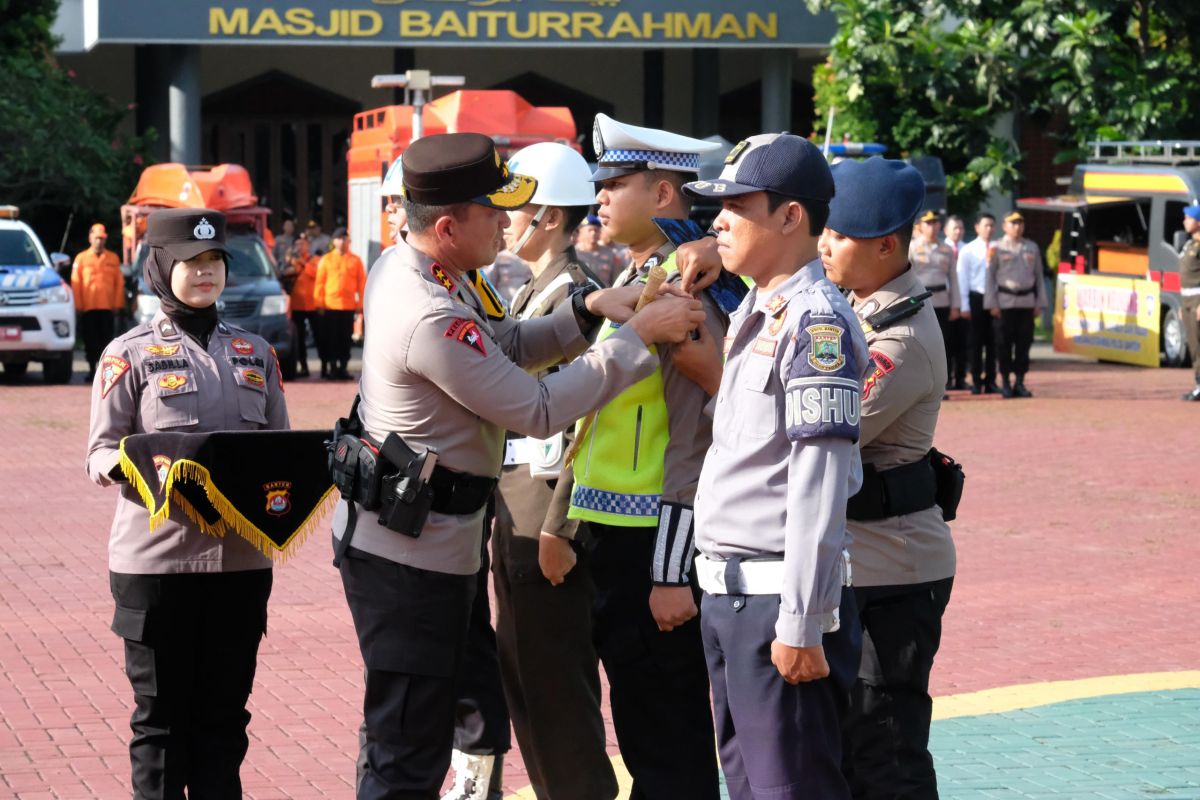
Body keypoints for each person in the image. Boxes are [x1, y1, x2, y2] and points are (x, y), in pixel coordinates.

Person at [333, 131, 705, 800]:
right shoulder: (428, 314)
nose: (507, 221)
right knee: (406, 747)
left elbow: (501, 339)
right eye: (493, 210)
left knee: (435, 724)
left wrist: (589, 312)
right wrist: (635, 340)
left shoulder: (418, 269)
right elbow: (534, 407)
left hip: (432, 543)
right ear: (448, 227)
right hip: (409, 560)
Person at [673, 134, 867, 800]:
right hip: (730, 598)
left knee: (792, 788)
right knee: (752, 786)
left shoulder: (817, 325)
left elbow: (818, 483)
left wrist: (802, 620)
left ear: (790, 217)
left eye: (736, 205)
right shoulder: (759, 310)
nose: (717, 221)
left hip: (775, 602)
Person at [85, 208, 289, 799]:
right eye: (190, 263)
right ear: (160, 268)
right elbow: (99, 451)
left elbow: (277, 450)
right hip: (157, 566)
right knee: (160, 724)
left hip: (240, 567)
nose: (205, 275)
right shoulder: (128, 354)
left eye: (215, 262)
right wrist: (135, 464)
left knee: (225, 722)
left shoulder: (256, 353)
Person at [564, 113, 725, 800]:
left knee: (668, 737)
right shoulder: (641, 277)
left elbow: (693, 435)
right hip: (614, 535)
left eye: (615, 184)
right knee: (642, 726)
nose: (599, 198)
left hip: (653, 543)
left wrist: (670, 572)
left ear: (663, 195)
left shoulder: (681, 288)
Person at [816, 158, 957, 800]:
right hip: (861, 565)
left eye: (838, 235)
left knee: (886, 752)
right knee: (848, 744)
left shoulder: (899, 342)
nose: (824, 244)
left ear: (885, 246)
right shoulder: (852, 308)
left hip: (896, 571)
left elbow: (822, 428)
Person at [487, 142, 618, 800]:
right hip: (514, 513)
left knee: (559, 703)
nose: (502, 220)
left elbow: (587, 424)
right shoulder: (536, 291)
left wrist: (561, 527)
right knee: (528, 692)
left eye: (513, 209)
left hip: (545, 523)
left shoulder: (580, 297)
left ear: (545, 217)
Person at [985, 211, 1045, 398]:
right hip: (1004, 303)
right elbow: (989, 277)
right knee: (1003, 345)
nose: (1017, 227)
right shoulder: (996, 248)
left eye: (1020, 223)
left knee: (1023, 344)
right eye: (1013, 223)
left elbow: (1039, 277)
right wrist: (991, 303)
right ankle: (1005, 382)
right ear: (1005, 226)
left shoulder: (1031, 247)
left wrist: (1040, 302)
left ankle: (1020, 381)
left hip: (1026, 303)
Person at [909, 211, 961, 392]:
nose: (932, 227)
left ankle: (941, 384)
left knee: (942, 344)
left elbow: (953, 279)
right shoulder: (911, 248)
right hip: (919, 302)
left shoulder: (946, 250)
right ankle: (919, 384)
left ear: (940, 226)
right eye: (928, 223)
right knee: (919, 343)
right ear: (920, 226)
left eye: (935, 223)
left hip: (942, 301)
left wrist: (956, 304)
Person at [73, 223, 125, 381]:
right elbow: (76, 282)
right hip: (88, 308)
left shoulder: (113, 258)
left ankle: (106, 372)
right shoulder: (81, 258)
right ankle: (91, 370)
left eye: (102, 238)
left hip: (107, 308)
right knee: (90, 341)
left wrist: (117, 305)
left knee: (107, 341)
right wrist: (78, 305)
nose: (99, 241)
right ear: (90, 238)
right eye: (96, 238)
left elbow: (119, 283)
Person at [314, 227, 366, 380]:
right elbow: (319, 284)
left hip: (348, 306)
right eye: (340, 238)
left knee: (345, 339)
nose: (343, 241)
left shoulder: (355, 260)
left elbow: (361, 284)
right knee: (330, 339)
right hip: (330, 307)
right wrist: (319, 304)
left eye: (345, 238)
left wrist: (360, 304)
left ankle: (343, 368)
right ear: (334, 241)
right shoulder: (326, 259)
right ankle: (332, 367)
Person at [956, 214, 998, 395]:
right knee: (975, 341)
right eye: (986, 225)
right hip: (976, 297)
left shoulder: (998, 248)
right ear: (977, 227)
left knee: (993, 342)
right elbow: (962, 278)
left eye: (991, 226)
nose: (989, 229)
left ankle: (991, 380)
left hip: (994, 298)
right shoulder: (969, 250)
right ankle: (975, 380)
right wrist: (964, 304)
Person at [282, 235, 319, 378]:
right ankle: (303, 366)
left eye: (302, 244)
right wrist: (289, 263)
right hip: (297, 305)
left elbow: (315, 274)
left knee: (320, 336)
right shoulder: (292, 261)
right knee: (300, 338)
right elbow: (284, 274)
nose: (299, 247)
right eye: (297, 244)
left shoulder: (315, 260)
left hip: (313, 304)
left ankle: (326, 366)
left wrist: (302, 262)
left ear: (308, 246)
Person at [943, 215, 970, 390]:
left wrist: (963, 304)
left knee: (963, 343)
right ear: (946, 230)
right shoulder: (942, 249)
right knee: (946, 344)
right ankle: (947, 379)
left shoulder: (968, 249)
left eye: (960, 228)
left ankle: (961, 377)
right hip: (944, 301)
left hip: (965, 301)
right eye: (955, 228)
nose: (958, 231)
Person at [1179, 205, 1200, 401]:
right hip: (1187, 299)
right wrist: (1181, 303)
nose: (1185, 221)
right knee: (1193, 345)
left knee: (1199, 345)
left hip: (1197, 300)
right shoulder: (1189, 244)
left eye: (1189, 218)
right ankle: (1198, 383)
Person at [573, 214, 624, 286]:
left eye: (596, 230)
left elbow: (617, 279)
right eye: (590, 230)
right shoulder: (574, 253)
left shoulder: (610, 253)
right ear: (581, 232)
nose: (593, 233)